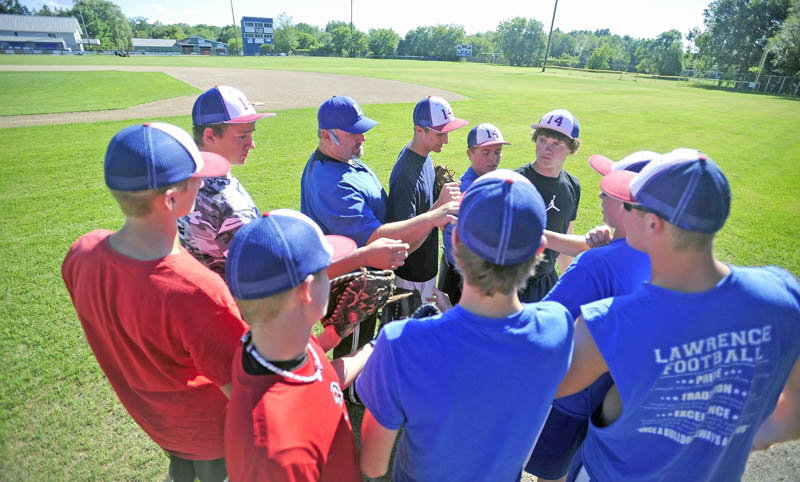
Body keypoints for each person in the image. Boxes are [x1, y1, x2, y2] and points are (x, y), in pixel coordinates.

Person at [556, 149, 800, 482]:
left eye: (629, 205)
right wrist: (750, 437)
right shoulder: (784, 295)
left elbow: (541, 384)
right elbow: (794, 414)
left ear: (653, 223)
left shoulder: (612, 323)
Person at [357, 169, 574, 482]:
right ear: (540, 251)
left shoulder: (401, 343)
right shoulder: (558, 327)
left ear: (455, 241)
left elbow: (373, 465)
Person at [61, 122, 249, 482]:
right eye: (197, 179)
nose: (202, 183)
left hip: (158, 424)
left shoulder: (81, 254)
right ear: (171, 199)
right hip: (215, 436)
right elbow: (243, 391)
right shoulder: (199, 291)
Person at [178, 86, 403, 282]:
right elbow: (280, 277)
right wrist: (364, 256)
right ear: (210, 136)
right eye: (242, 136)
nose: (252, 144)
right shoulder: (221, 199)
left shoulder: (192, 180)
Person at [524, 151, 657, 482]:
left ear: (631, 204)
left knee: (546, 473)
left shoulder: (598, 263)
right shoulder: (660, 254)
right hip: (613, 398)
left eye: (609, 190)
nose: (599, 194)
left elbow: (542, 325)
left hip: (566, 397)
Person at [300, 95, 458, 374]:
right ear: (327, 136)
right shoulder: (330, 184)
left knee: (365, 331)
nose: (361, 138)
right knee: (353, 334)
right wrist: (434, 214)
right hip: (350, 282)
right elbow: (375, 238)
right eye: (353, 133)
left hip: (369, 271)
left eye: (362, 131)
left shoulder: (346, 159)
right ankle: (350, 394)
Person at [224, 209, 373, 482]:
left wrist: (371, 347)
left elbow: (319, 381)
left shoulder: (273, 342)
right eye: (326, 271)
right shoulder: (272, 455)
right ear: (306, 291)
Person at [386, 95, 465, 312]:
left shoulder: (425, 157)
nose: (446, 139)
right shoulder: (405, 175)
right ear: (419, 130)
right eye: (440, 133)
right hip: (411, 279)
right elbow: (403, 243)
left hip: (425, 272)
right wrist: (440, 206)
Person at [439, 122, 510, 304]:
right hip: (465, 283)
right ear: (470, 154)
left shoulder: (492, 180)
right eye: (485, 153)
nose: (493, 159)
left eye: (497, 152)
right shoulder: (464, 193)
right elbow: (453, 246)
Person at [515, 108, 582, 302]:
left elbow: (566, 239)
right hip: (510, 284)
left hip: (546, 282)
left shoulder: (572, 186)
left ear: (572, 147)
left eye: (557, 143)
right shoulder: (514, 181)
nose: (547, 148)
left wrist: (567, 283)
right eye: (542, 140)